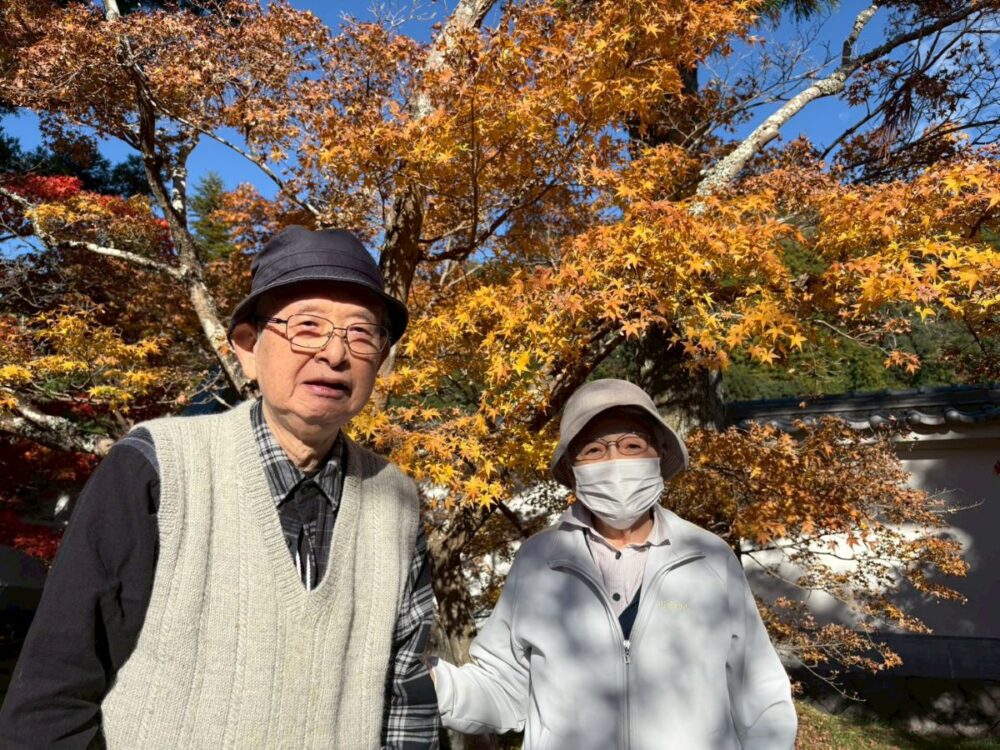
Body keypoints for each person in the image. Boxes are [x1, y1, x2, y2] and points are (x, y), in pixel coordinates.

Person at [0, 226, 440, 749]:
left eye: (361, 334)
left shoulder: (396, 501)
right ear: (248, 348)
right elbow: (53, 696)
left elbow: (407, 698)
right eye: (307, 327)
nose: (335, 354)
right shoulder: (158, 466)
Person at [432, 378, 797, 749]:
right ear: (572, 468)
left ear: (659, 454)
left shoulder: (709, 557)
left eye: (632, 445)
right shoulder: (540, 561)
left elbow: (762, 696)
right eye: (593, 449)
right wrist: (433, 684)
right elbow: (502, 687)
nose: (615, 461)